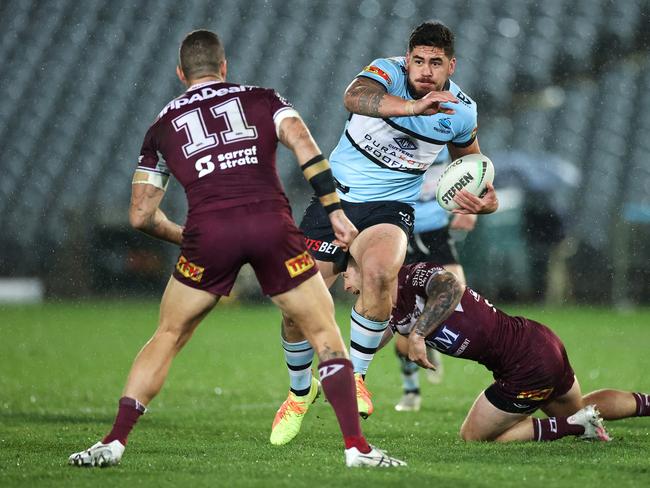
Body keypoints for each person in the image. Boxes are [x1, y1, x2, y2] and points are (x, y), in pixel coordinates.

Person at [68, 29, 405, 468]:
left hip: (210, 231)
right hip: (270, 223)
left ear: (180, 72)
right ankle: (356, 448)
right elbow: (306, 148)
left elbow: (140, 216)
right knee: (325, 333)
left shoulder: (162, 126)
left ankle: (113, 442)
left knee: (168, 336)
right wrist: (334, 210)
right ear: (224, 67)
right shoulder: (263, 99)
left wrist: (187, 236)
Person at [270, 20, 498, 446]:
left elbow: (472, 163)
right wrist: (413, 107)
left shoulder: (462, 110)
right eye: (418, 60)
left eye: (435, 63)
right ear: (406, 59)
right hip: (335, 199)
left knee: (379, 272)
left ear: (452, 65)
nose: (425, 70)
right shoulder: (385, 72)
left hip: (392, 207)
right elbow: (353, 97)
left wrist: (487, 197)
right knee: (297, 303)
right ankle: (300, 392)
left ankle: (354, 376)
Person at [341, 259, 650, 442]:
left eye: (346, 274)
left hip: (525, 364)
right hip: (537, 344)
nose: (345, 286)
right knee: (579, 409)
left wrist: (419, 334)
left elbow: (452, 287)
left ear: (366, 268)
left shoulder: (413, 275)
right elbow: (366, 344)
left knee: (473, 437)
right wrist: (342, 368)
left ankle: (573, 426)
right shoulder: (390, 311)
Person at [394, 150, 477, 412]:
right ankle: (411, 390)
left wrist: (471, 207)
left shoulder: (445, 133)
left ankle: (427, 338)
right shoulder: (393, 131)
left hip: (435, 230)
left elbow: (474, 166)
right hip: (398, 229)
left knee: (458, 298)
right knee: (398, 321)